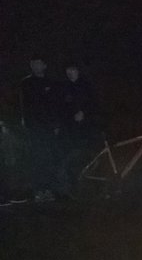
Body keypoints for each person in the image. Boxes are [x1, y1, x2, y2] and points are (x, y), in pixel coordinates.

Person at [18, 56, 61, 201]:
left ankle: (49, 189)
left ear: (44, 65)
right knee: (37, 158)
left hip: (49, 126)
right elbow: (24, 105)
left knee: (50, 157)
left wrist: (56, 124)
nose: (36, 66)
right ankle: (38, 190)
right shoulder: (26, 82)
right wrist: (27, 123)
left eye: (38, 64)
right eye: (33, 64)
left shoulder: (51, 82)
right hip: (35, 127)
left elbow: (55, 105)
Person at [60, 62, 101, 149]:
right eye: (68, 71)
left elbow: (93, 102)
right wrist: (72, 116)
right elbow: (63, 107)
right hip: (73, 126)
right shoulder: (64, 87)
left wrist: (83, 112)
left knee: (92, 148)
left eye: (72, 70)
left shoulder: (87, 84)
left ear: (77, 71)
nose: (70, 73)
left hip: (89, 122)